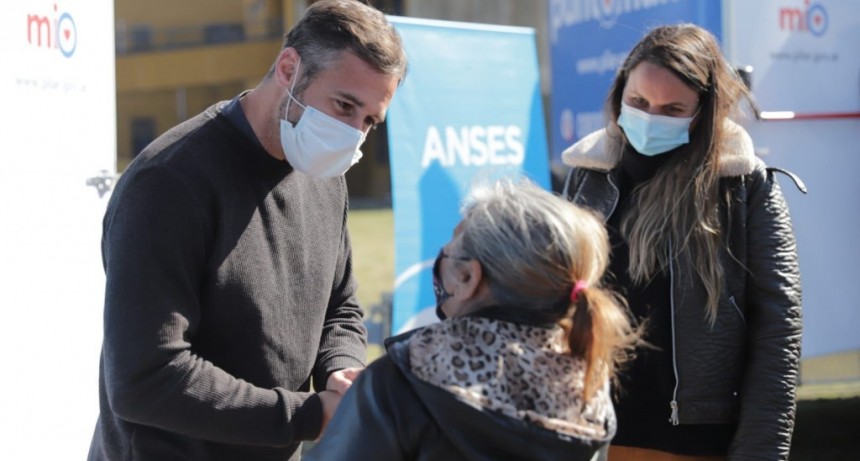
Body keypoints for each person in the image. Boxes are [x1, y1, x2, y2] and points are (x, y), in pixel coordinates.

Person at [87, 1, 407, 460]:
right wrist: (310, 415)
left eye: (369, 121)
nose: (352, 134)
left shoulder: (324, 176)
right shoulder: (169, 182)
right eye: (344, 105)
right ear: (288, 67)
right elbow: (145, 379)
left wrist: (342, 370)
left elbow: (340, 306)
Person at [561, 24, 804, 461]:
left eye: (672, 108)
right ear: (619, 94)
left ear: (705, 112)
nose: (651, 116)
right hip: (590, 429)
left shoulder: (745, 187)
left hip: (693, 440)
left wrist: (762, 450)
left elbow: (778, 330)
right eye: (638, 102)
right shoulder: (588, 174)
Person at [304, 178, 641, 461]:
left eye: (451, 245)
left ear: (468, 278)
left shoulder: (401, 379)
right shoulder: (588, 382)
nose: (443, 253)